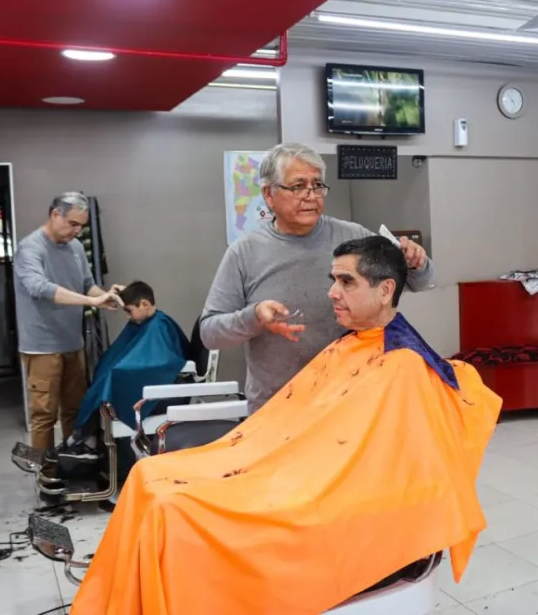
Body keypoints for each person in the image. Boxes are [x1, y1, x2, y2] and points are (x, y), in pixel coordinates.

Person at [70, 236, 502, 615]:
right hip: (285, 465)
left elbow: (391, 471)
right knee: (147, 474)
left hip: (325, 492)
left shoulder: (405, 367)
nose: (332, 293)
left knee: (173, 509)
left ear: (386, 289)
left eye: (346, 282)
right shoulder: (349, 346)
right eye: (334, 279)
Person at [200, 143, 435, 414]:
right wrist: (254, 318)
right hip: (277, 409)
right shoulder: (244, 252)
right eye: (298, 186)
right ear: (268, 194)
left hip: (348, 402)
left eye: (317, 185)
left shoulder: (353, 237)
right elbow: (210, 334)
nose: (311, 196)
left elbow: (419, 281)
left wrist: (418, 262)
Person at [13, 192, 124, 452]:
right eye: (73, 224)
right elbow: (40, 288)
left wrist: (106, 297)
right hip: (41, 348)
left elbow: (88, 286)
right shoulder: (30, 248)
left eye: (81, 226)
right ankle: (47, 476)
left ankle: (72, 467)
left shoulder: (75, 248)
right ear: (55, 215)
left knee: (75, 411)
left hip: (73, 345)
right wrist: (91, 302)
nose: (77, 231)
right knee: (44, 416)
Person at [50, 280, 190, 472]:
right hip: (156, 384)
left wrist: (120, 371)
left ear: (145, 305)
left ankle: (82, 440)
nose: (129, 317)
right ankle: (85, 441)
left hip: (165, 391)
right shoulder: (146, 322)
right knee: (106, 377)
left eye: (130, 310)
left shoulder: (160, 326)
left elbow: (162, 363)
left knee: (110, 381)